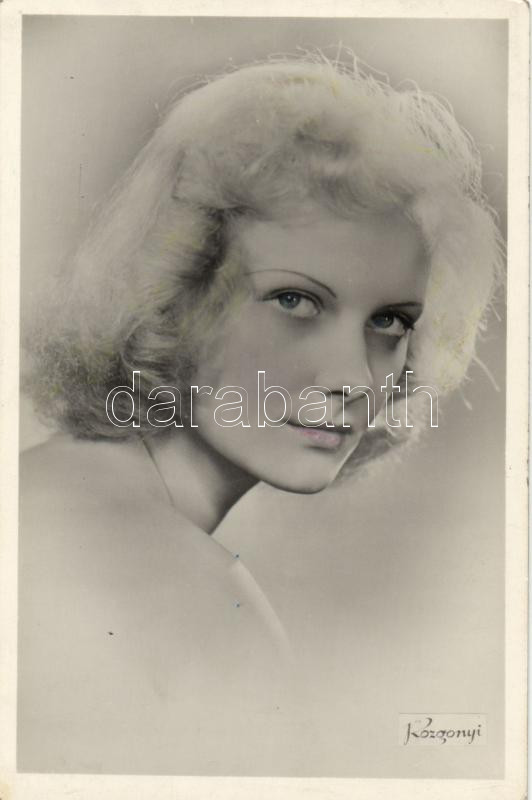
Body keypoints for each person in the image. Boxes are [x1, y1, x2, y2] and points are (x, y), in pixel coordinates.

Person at [18, 56, 503, 775]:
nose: (351, 377)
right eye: (295, 301)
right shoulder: (190, 597)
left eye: (390, 322)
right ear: (178, 296)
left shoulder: (46, 493)